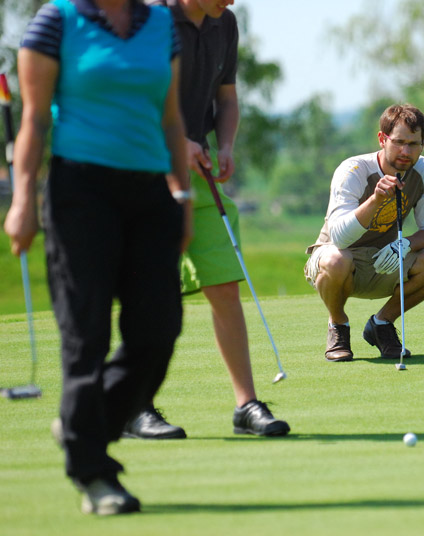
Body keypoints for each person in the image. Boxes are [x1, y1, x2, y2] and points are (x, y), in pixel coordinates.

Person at [4, 0, 192, 515]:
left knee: (158, 329)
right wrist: (22, 199)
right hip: (79, 193)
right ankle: (94, 473)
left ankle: (81, 426)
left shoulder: (160, 25)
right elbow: (35, 121)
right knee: (85, 334)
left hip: (151, 193)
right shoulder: (56, 21)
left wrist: (184, 196)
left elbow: (171, 119)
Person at [123, 0, 290, 439]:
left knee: (224, 285)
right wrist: (178, 141)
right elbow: (134, 98)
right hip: (146, 167)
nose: (231, 0)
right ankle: (135, 404)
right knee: (150, 290)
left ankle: (246, 405)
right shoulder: (149, 20)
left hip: (198, 174)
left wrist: (227, 145)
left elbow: (227, 97)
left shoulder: (225, 23)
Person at [304, 104, 424, 362]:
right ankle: (338, 325)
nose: (406, 151)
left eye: (414, 144)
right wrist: (375, 200)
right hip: (337, 261)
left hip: (385, 259)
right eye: (399, 142)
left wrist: (405, 244)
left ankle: (381, 324)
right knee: (336, 260)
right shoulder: (354, 170)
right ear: (382, 139)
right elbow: (339, 238)